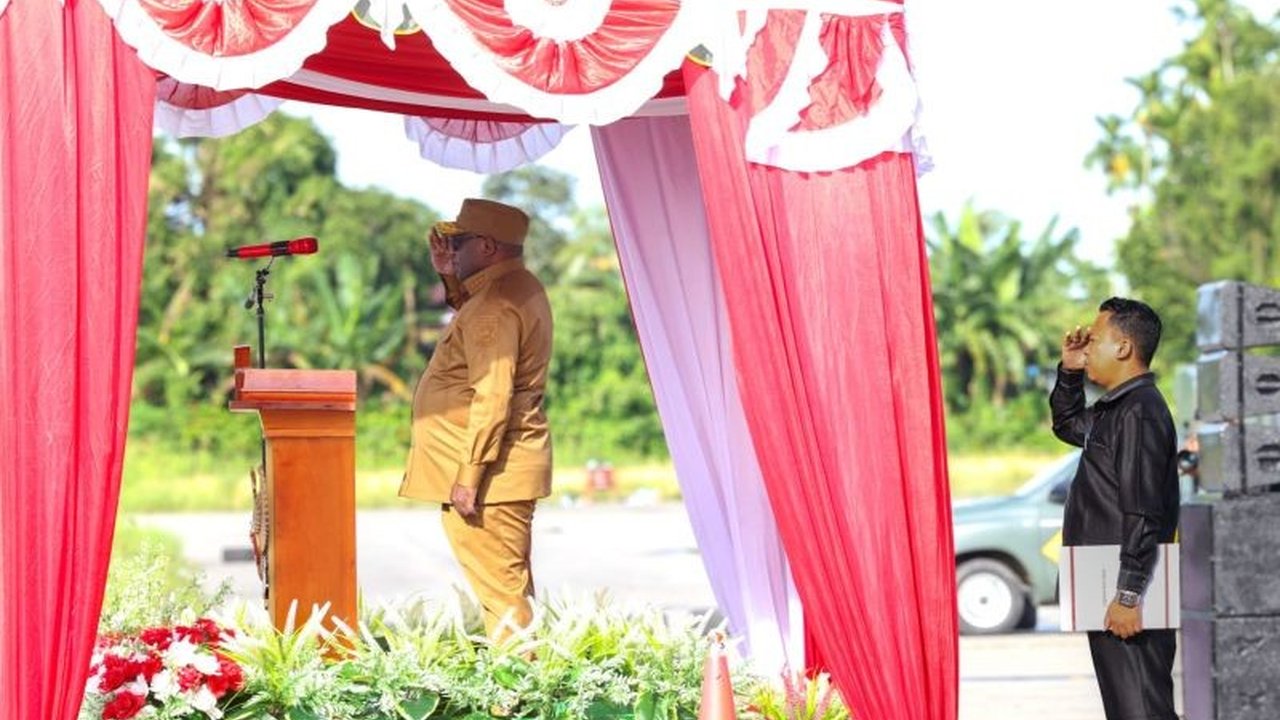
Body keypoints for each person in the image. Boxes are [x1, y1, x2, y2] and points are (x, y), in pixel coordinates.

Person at [399, 198, 553, 639]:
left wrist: (469, 477)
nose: (451, 249)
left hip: (490, 481)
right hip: (500, 473)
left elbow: (492, 394)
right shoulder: (516, 286)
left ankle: (516, 683)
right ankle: (522, 677)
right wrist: (450, 273)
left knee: (503, 602)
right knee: (510, 595)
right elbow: (474, 314)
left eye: (459, 242)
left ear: (485, 246)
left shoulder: (495, 305)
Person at [1051, 297, 1180, 720]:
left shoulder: (1140, 412)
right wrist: (1070, 372)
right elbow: (1068, 424)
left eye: (1095, 339)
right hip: (1108, 586)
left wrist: (1128, 594)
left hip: (1126, 594)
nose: (1086, 347)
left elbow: (1143, 509)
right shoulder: (1118, 408)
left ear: (1124, 347)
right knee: (1129, 708)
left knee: (1141, 707)